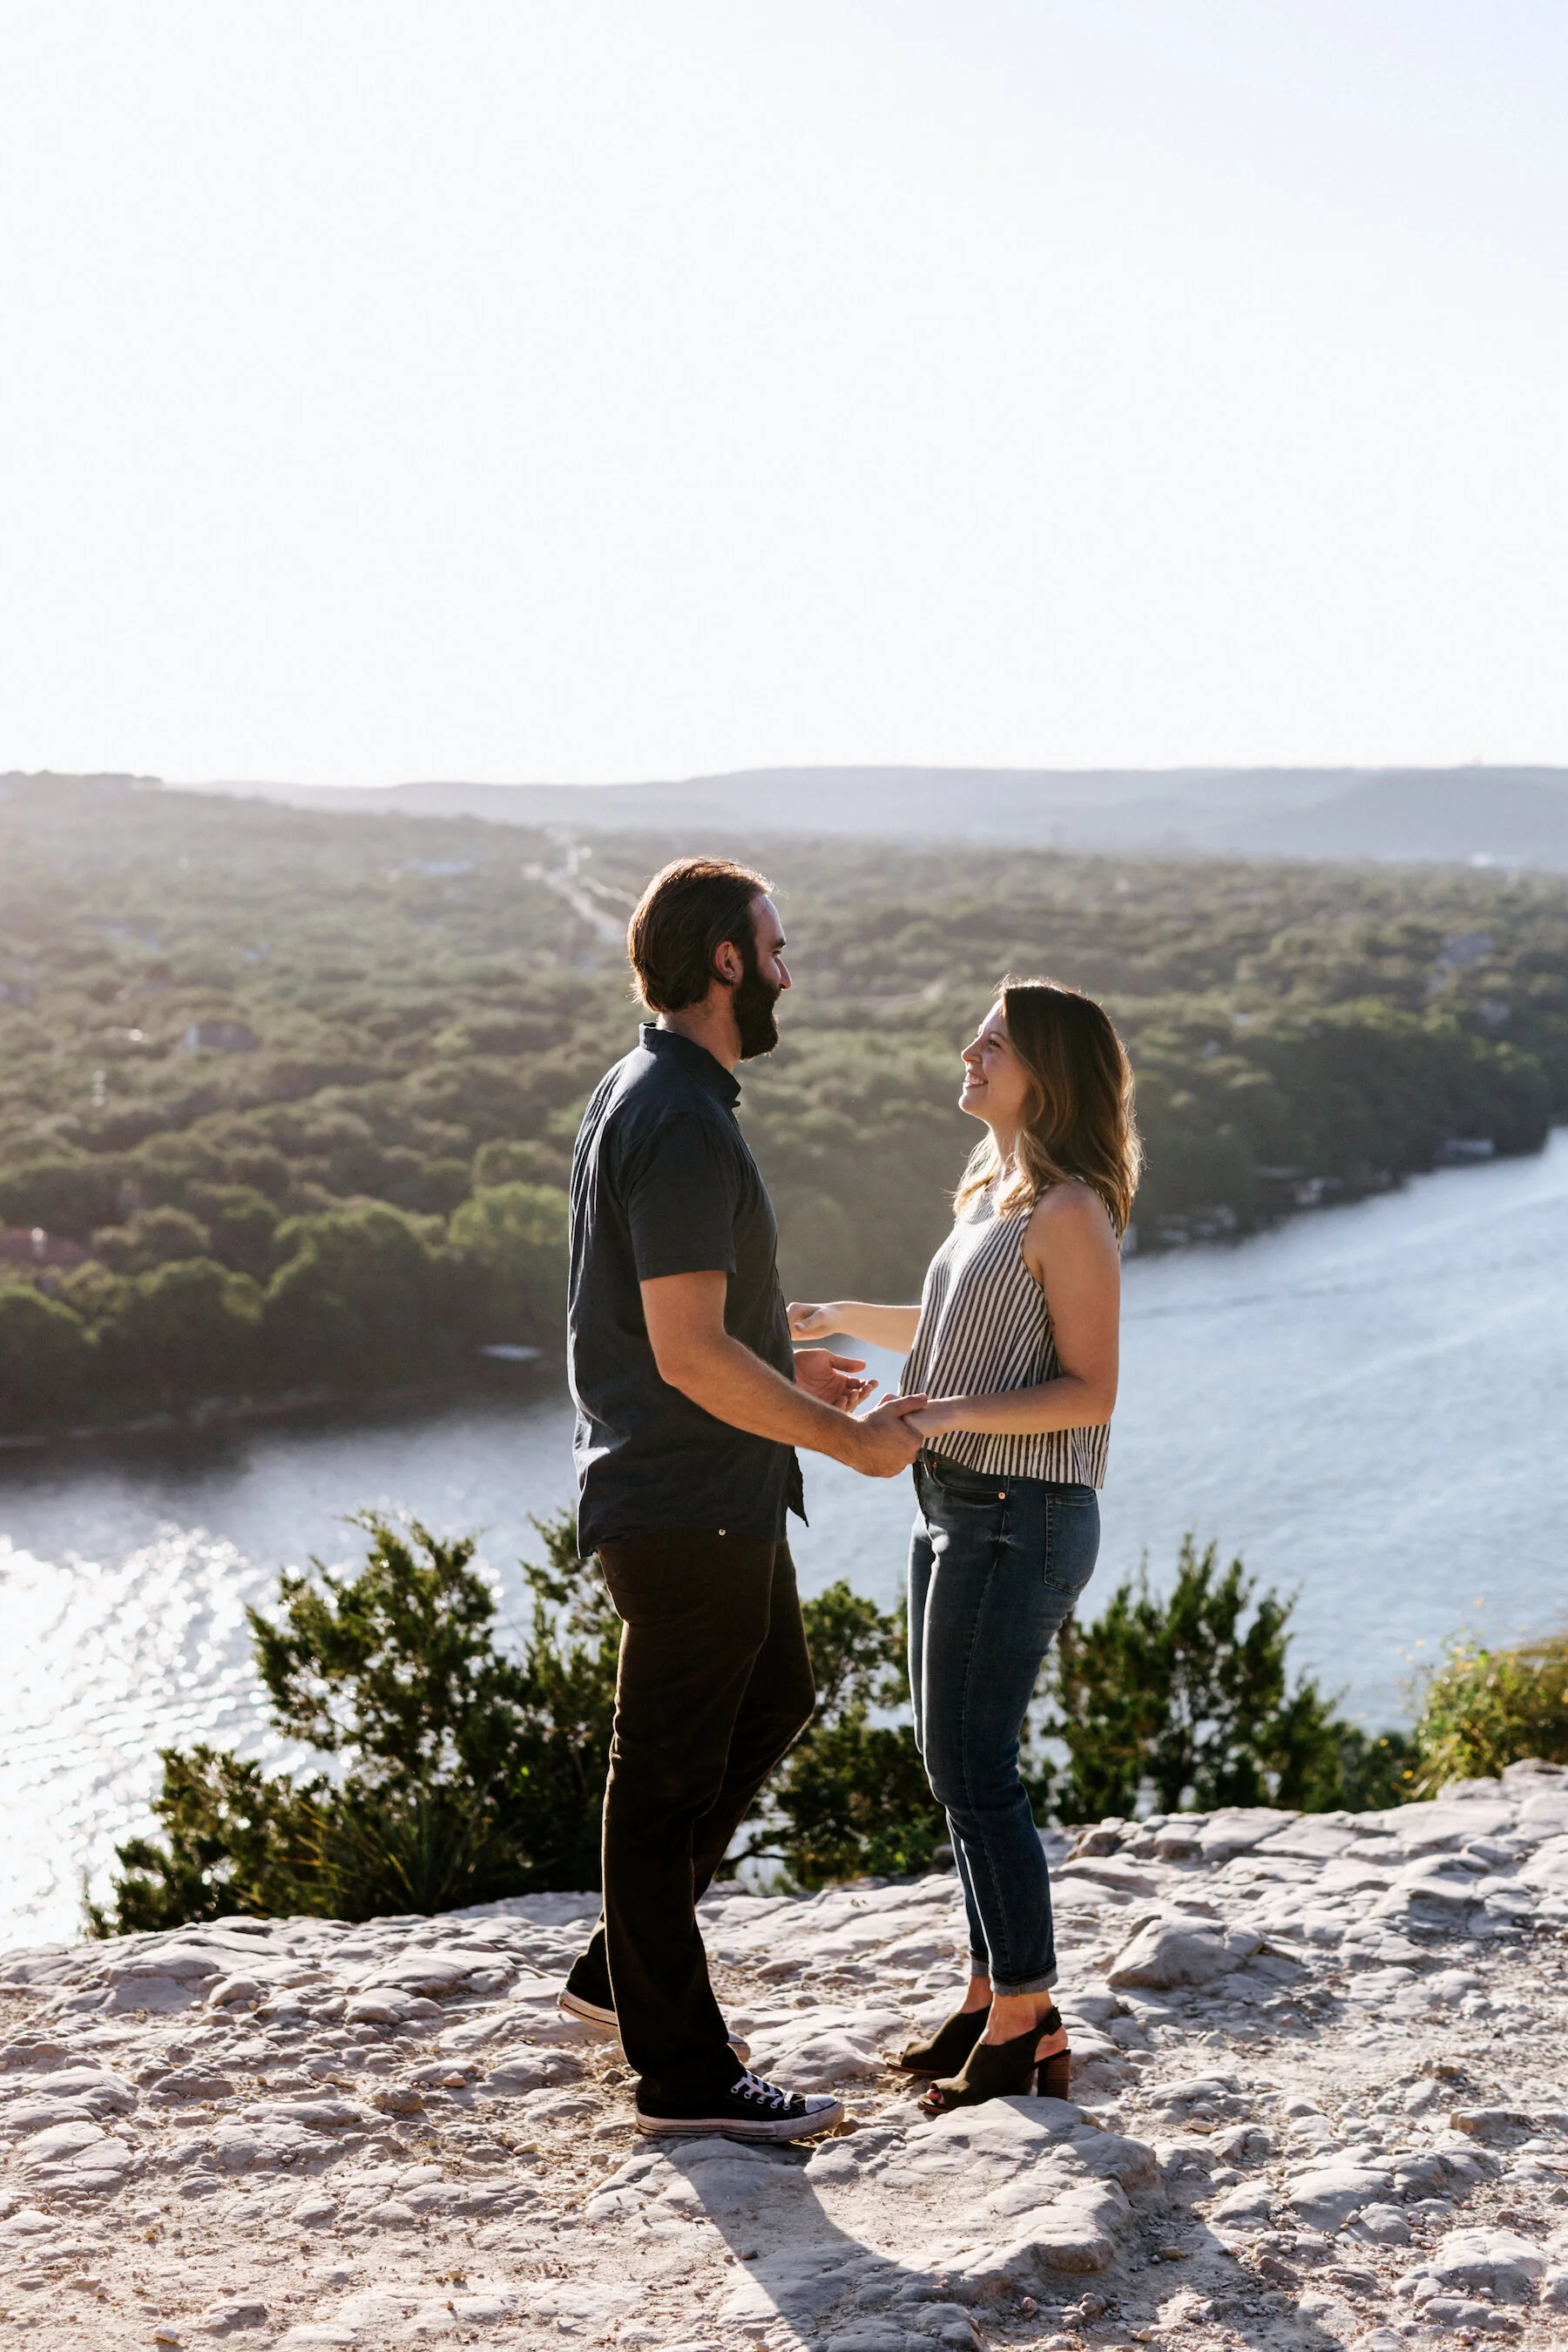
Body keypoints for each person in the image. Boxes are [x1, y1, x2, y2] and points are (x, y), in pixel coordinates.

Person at [559, 855, 929, 2141]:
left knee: (777, 1694)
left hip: (702, 1490)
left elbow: (704, 1325)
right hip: (687, 1499)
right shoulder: (680, 1117)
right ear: (725, 961)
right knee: (660, 1782)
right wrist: (844, 1435)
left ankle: (626, 1961)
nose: (788, 967)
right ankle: (684, 2074)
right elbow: (685, 1351)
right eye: (776, 947)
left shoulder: (652, 1087)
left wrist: (783, 1360)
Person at [789, 976, 1139, 2113]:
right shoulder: (995, 1192)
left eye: (992, 1043)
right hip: (953, 1508)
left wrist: (934, 1415)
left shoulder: (1072, 1210)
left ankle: (1027, 2024)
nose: (970, 1053)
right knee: (954, 1766)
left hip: (1020, 1513)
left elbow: (1090, 1394)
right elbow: (953, 1330)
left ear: (1047, 1072)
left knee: (978, 1770)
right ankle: (993, 1988)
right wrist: (842, 1318)